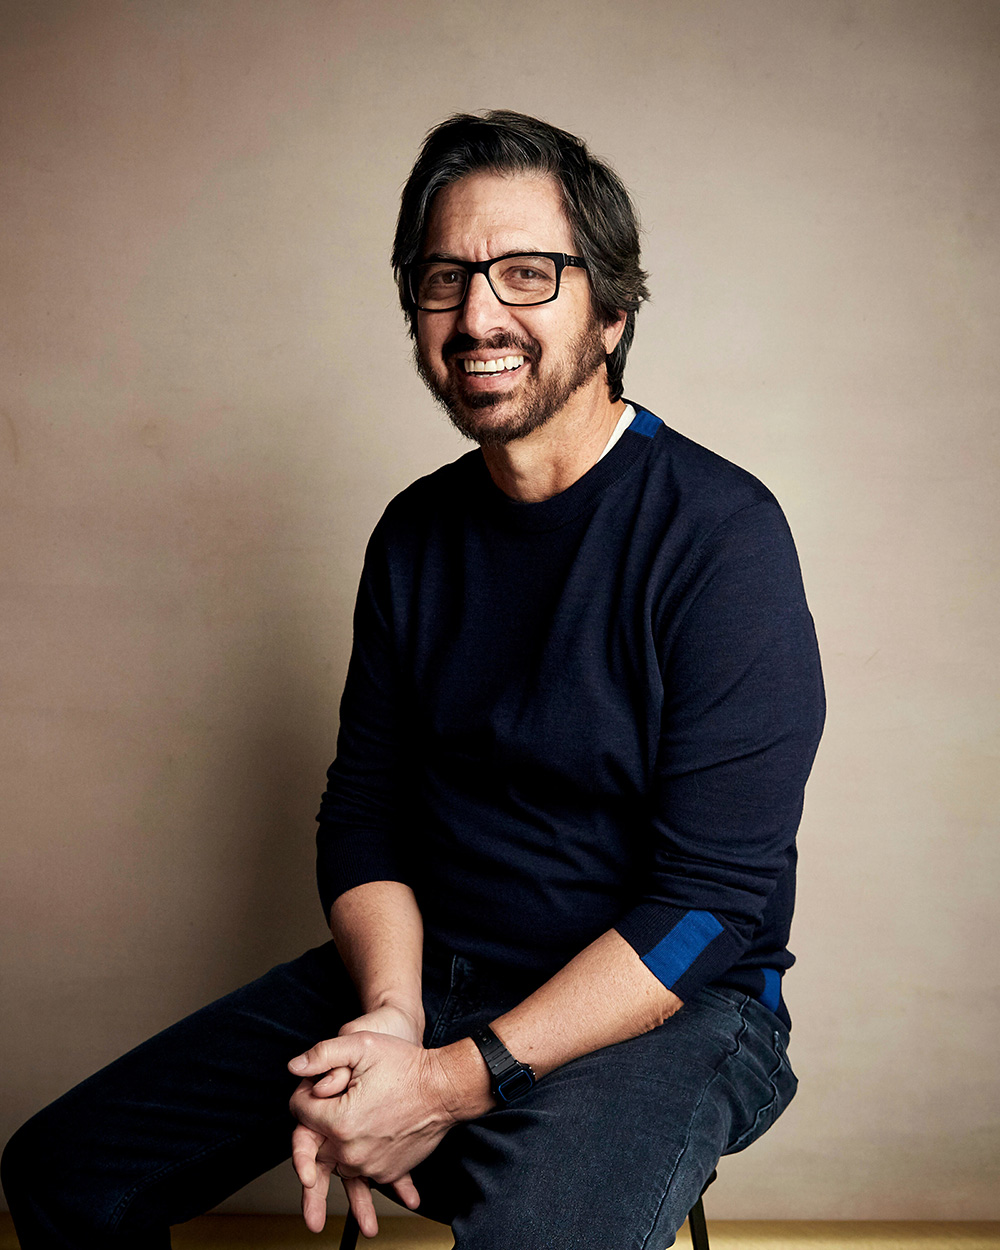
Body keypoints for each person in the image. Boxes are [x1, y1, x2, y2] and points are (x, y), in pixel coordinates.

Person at [1, 110, 825, 1249]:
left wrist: (448, 1080)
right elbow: (365, 813)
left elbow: (707, 907)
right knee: (63, 1171)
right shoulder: (415, 535)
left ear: (612, 313)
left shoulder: (720, 536)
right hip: (435, 970)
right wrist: (392, 1017)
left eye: (527, 274)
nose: (478, 312)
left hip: (668, 1010)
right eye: (445, 278)